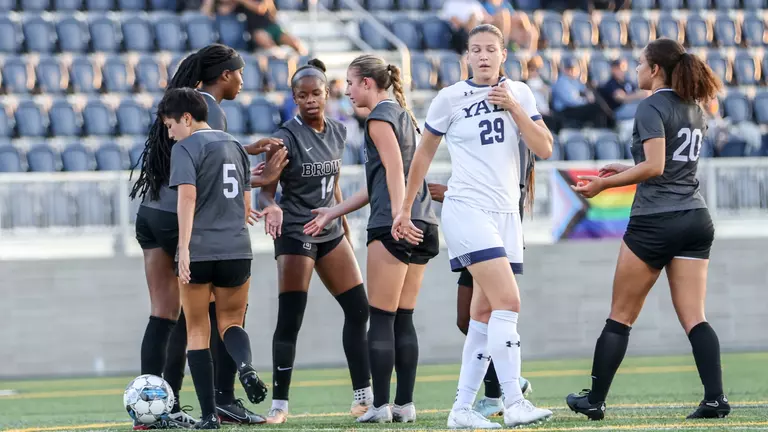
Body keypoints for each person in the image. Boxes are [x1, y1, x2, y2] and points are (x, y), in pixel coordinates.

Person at [391, 24, 554, 429]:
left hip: (506, 214)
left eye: (490, 50)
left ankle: (461, 410)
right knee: (509, 302)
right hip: (467, 209)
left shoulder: (520, 92)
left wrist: (513, 107)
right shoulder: (449, 98)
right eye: (475, 50)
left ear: (503, 55)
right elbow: (423, 157)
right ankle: (513, 401)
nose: (483, 56)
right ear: (466, 57)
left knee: (482, 317)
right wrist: (405, 208)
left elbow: (545, 147)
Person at [565, 38, 729, 421]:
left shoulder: (651, 105)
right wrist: (624, 168)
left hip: (657, 220)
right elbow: (670, 166)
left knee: (620, 316)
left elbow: (655, 167)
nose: (637, 69)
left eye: (640, 63)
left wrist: (605, 185)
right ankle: (715, 399)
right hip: (694, 217)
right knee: (695, 317)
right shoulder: (693, 107)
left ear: (655, 69)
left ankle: (595, 400)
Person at [130, 43, 280, 428]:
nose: (243, 80)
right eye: (240, 73)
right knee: (216, 314)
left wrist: (246, 152)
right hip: (179, 217)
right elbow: (204, 164)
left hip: (150, 213)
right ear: (226, 75)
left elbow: (197, 153)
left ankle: (158, 408)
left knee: (164, 314)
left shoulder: (182, 103)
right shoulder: (207, 108)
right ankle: (224, 399)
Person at [302, 54, 440, 424]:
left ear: (367, 83)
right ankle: (404, 405)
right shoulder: (403, 115)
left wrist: (399, 214)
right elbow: (377, 181)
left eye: (349, 82)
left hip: (395, 222)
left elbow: (395, 169)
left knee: (380, 317)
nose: (345, 90)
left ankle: (379, 406)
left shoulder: (378, 117)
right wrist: (334, 211)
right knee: (403, 319)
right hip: (424, 222)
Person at [257, 59, 373, 424]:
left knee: (359, 309)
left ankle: (363, 397)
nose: (310, 100)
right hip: (295, 231)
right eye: (302, 95)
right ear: (294, 98)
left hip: (331, 230)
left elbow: (335, 184)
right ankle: (279, 405)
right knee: (291, 318)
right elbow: (264, 192)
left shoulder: (339, 132)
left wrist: (344, 223)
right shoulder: (283, 138)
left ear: (327, 94)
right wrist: (270, 207)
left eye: (316, 93)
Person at [163, 88, 270, 429]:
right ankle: (246, 367)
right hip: (238, 248)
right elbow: (247, 205)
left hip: (202, 249)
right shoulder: (236, 146)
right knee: (231, 323)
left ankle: (209, 415)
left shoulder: (185, 147)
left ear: (187, 118)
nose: (170, 133)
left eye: (170, 126)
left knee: (197, 330)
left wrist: (183, 248)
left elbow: (187, 200)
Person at [426, 135, 535, 419]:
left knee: (494, 311)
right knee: (472, 318)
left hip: (492, 231)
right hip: (475, 228)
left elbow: (504, 189)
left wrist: (449, 192)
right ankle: (492, 393)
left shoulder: (517, 137)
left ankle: (498, 395)